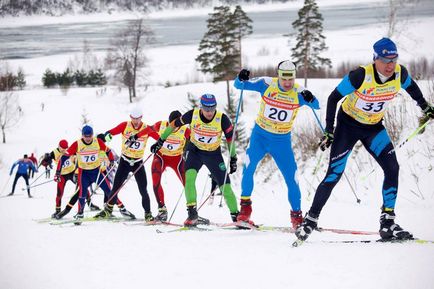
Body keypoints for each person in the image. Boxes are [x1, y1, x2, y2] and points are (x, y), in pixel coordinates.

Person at [295, 37, 434, 242]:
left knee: (392, 168)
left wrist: (425, 106)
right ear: (375, 59)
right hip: (347, 127)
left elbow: (412, 88)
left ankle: (387, 223)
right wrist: (329, 130)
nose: (390, 65)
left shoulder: (400, 74)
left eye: (394, 60)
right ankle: (310, 219)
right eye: (386, 61)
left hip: (373, 128)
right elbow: (334, 97)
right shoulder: (360, 76)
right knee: (334, 174)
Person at [234, 60, 320, 229]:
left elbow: (316, 106)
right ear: (278, 76)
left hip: (281, 141)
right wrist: (241, 76)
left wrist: (311, 98)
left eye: (291, 79)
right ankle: (245, 211)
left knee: (292, 178)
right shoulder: (266, 83)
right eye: (284, 79)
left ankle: (297, 218)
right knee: (248, 168)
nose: (287, 83)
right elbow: (239, 85)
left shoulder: (299, 92)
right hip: (260, 136)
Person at [150, 94, 239, 226]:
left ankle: (236, 216)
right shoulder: (193, 115)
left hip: (213, 154)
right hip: (195, 152)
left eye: (212, 108)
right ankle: (192, 214)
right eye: (206, 108)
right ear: (201, 107)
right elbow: (173, 124)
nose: (209, 112)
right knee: (189, 179)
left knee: (225, 185)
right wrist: (161, 140)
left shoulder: (222, 119)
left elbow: (231, 140)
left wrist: (233, 158)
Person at [94, 108, 160, 222]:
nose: (135, 121)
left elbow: (160, 138)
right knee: (116, 187)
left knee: (143, 189)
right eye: (133, 118)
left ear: (141, 117)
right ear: (130, 117)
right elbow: (111, 132)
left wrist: (157, 145)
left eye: (137, 119)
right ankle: (107, 211)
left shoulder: (147, 129)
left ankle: (148, 214)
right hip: (124, 161)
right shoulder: (125, 125)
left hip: (138, 163)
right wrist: (106, 136)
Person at [57, 125, 133, 222]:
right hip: (84, 173)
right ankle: (80, 213)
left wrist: (111, 160)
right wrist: (58, 172)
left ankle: (122, 209)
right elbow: (64, 157)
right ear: (82, 135)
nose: (88, 138)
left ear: (92, 135)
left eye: (90, 136)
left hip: (96, 172)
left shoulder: (98, 142)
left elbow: (108, 150)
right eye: (86, 136)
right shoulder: (77, 144)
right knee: (82, 193)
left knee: (110, 191)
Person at [147, 110, 191, 221]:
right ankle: (162, 210)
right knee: (155, 181)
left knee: (188, 184)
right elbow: (148, 130)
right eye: (173, 124)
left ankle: (192, 212)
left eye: (178, 125)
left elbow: (195, 140)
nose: (176, 127)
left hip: (177, 159)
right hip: (161, 157)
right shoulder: (161, 125)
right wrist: (155, 140)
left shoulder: (185, 130)